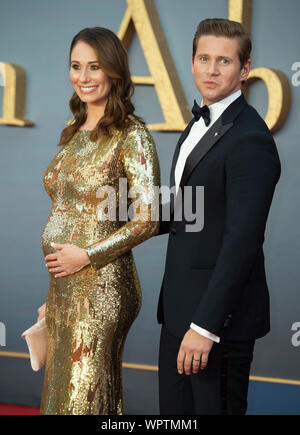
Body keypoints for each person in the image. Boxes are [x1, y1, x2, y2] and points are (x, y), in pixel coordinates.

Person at [157, 18, 281, 415]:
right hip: (178, 315)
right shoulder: (199, 123)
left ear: (245, 70)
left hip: (216, 326)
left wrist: (206, 326)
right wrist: (111, 220)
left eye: (223, 61)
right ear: (192, 62)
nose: (211, 70)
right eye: (204, 58)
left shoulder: (251, 139)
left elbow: (242, 242)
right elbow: (185, 209)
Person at [39, 27, 160, 415]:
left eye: (95, 66)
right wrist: (51, 297)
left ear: (115, 73)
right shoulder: (75, 131)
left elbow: (149, 218)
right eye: (76, 66)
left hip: (102, 288)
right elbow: (66, 218)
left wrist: (88, 256)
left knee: (83, 399)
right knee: (60, 396)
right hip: (65, 288)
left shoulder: (132, 135)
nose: (84, 77)